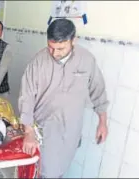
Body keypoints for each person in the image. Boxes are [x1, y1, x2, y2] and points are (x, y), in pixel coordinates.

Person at [19, 19, 109, 178]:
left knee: (59, 169)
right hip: (44, 129)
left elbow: (98, 90)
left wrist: (102, 122)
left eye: (60, 48)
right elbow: (26, 96)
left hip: (71, 130)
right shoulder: (39, 61)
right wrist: (29, 131)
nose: (54, 53)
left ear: (73, 41)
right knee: (44, 171)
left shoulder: (86, 60)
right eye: (51, 47)